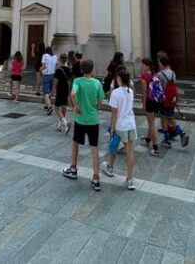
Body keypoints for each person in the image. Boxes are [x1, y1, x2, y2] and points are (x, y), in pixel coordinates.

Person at [62, 59, 105, 191]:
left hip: (80, 119)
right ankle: (96, 177)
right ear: (92, 69)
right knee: (94, 147)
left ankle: (73, 168)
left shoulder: (78, 81)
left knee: (75, 143)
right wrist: (95, 107)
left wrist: (76, 105)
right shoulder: (97, 83)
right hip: (93, 120)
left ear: (81, 69)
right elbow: (100, 103)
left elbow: (73, 94)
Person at [101, 68, 137, 190]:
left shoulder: (115, 93)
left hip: (119, 124)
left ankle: (110, 167)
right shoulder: (130, 91)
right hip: (130, 124)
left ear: (120, 79)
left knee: (114, 145)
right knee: (129, 152)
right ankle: (130, 179)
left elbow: (114, 112)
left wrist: (112, 127)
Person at [157, 53, 189, 148]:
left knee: (163, 118)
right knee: (170, 117)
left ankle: (169, 138)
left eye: (159, 62)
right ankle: (180, 133)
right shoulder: (172, 73)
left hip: (163, 100)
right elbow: (174, 84)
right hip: (172, 99)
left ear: (161, 63)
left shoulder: (160, 75)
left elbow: (158, 88)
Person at [139, 57, 161, 156]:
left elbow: (144, 91)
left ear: (147, 66)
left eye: (143, 64)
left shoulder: (144, 76)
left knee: (151, 124)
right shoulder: (154, 74)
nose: (142, 66)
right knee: (151, 121)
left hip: (149, 101)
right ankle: (148, 140)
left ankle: (155, 147)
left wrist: (144, 104)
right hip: (156, 100)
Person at [52, 53, 72, 134]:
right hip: (66, 89)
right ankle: (61, 124)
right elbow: (69, 81)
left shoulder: (58, 70)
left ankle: (64, 121)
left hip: (60, 90)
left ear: (60, 60)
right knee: (64, 106)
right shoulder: (69, 69)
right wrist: (69, 91)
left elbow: (55, 83)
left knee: (57, 107)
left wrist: (52, 92)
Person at [41, 46, 57, 114]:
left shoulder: (45, 56)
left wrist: (40, 69)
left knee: (46, 92)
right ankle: (46, 105)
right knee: (50, 91)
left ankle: (50, 107)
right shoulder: (55, 56)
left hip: (46, 74)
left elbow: (44, 66)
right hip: (53, 74)